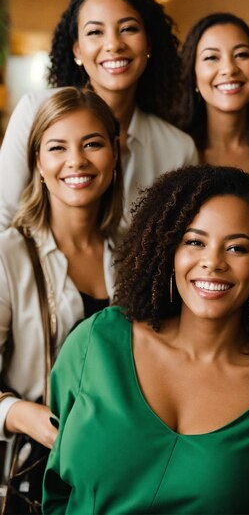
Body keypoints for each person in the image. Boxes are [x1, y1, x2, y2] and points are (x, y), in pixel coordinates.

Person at [42, 165, 249, 515]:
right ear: (169, 247)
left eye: (237, 248)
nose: (212, 263)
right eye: (195, 242)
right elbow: (56, 489)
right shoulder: (99, 341)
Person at [0, 88, 123, 504]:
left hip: (120, 473)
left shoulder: (138, 254)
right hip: (35, 476)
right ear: (37, 162)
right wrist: (25, 417)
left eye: (92, 144)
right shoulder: (7, 256)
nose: (76, 161)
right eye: (57, 147)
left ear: (115, 152)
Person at [0, 0, 197, 232]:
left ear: (148, 42)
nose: (113, 44)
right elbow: (2, 217)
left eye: (128, 29)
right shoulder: (35, 112)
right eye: (95, 32)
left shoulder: (178, 149)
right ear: (78, 51)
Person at [174, 13, 249, 183]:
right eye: (211, 57)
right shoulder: (173, 151)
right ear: (193, 74)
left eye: (241, 55)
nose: (229, 69)